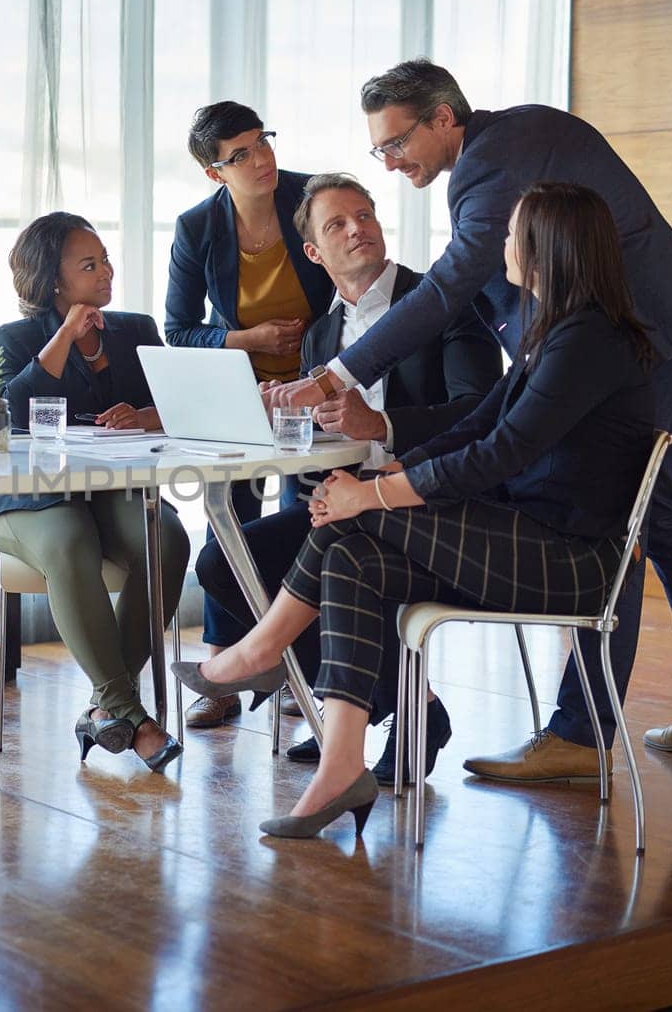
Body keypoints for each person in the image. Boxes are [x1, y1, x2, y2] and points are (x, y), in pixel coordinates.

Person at [267, 59, 672, 779]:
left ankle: (583, 736)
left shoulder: (494, 161)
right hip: (628, 330)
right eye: (379, 150)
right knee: (660, 516)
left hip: (651, 330)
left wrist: (337, 373)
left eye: (396, 143)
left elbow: (448, 289)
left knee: (635, 520)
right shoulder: (499, 149)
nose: (390, 161)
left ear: (443, 118)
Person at [177, 182, 658, 837]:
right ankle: (341, 763)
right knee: (350, 552)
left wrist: (371, 491)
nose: (502, 246)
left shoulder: (587, 341)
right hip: (532, 539)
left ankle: (257, 651)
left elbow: (498, 454)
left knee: (350, 518)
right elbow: (482, 426)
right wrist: (394, 470)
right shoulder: (559, 332)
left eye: (513, 235)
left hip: (569, 559)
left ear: (548, 249)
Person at [191, 172, 501, 779]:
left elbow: (483, 411)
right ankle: (398, 706)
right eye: (337, 224)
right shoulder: (321, 335)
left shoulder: (441, 302)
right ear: (313, 251)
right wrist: (283, 416)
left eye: (365, 215)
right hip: (353, 503)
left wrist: (382, 425)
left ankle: (359, 713)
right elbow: (328, 438)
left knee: (336, 559)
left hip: (432, 499)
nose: (358, 229)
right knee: (224, 562)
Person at [0, 212, 187, 772]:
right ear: (55, 281)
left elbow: (178, 406)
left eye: (106, 260)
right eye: (90, 264)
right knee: (69, 540)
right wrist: (65, 335)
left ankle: (104, 710)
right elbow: (12, 412)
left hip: (112, 492)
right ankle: (128, 712)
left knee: (166, 540)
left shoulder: (137, 329)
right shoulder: (16, 338)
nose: (106, 271)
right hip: (28, 500)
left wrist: (144, 417)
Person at [163, 101, 332, 730]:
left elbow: (353, 282)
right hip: (238, 394)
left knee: (300, 521)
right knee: (228, 522)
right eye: (240, 155)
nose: (261, 160)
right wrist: (249, 340)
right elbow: (177, 330)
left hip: (317, 389)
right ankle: (222, 671)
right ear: (215, 173)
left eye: (263, 143)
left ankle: (294, 669)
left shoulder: (310, 198)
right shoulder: (197, 228)